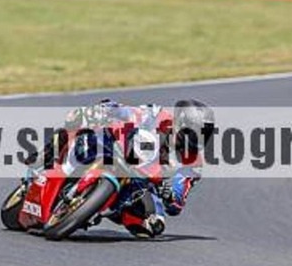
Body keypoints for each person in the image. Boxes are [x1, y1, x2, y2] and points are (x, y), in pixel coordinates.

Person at [63, 99, 215, 238]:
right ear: (182, 123)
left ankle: (96, 208)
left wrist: (169, 195)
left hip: (141, 183)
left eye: (205, 134)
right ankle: (57, 154)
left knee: (153, 225)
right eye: (197, 132)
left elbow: (176, 204)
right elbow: (129, 112)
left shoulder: (193, 165)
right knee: (78, 121)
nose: (200, 138)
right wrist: (107, 109)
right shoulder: (158, 115)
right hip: (117, 147)